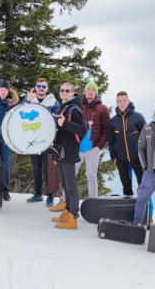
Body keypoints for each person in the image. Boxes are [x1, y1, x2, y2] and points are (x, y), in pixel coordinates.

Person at [107, 91, 154, 222]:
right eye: (119, 101)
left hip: (138, 159)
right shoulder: (113, 122)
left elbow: (147, 138)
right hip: (121, 160)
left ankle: (148, 216)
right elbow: (110, 141)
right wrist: (114, 158)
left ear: (128, 101)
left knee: (144, 187)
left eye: (124, 100)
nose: (122, 103)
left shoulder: (138, 117)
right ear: (116, 102)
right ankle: (130, 213)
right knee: (126, 187)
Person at [51, 83, 87, 229]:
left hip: (70, 151)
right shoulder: (62, 107)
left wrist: (65, 122)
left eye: (67, 90)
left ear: (72, 93)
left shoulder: (74, 109)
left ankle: (73, 217)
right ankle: (67, 211)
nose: (64, 92)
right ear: (60, 93)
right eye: (62, 90)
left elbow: (82, 130)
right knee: (65, 184)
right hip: (60, 151)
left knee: (71, 185)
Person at [23, 78, 59, 207]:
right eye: (39, 86)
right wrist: (27, 101)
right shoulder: (29, 99)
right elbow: (20, 115)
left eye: (43, 86)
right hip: (33, 139)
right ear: (35, 87)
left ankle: (50, 196)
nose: (41, 88)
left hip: (48, 139)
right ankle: (38, 194)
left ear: (47, 88)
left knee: (48, 168)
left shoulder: (53, 102)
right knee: (36, 167)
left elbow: (58, 118)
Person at [75, 82, 110, 196]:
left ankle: (93, 202)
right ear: (85, 91)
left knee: (91, 176)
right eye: (88, 89)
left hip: (93, 148)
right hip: (78, 147)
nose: (90, 91)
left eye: (93, 89)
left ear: (96, 92)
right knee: (71, 174)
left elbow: (106, 129)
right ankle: (65, 200)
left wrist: (99, 146)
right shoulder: (79, 106)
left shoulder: (103, 108)